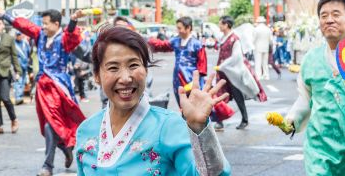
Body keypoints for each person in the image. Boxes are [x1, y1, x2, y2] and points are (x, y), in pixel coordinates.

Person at [75, 26, 231, 175]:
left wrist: (199, 128)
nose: (125, 78)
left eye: (133, 65)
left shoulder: (169, 126)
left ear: (146, 70)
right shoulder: (86, 131)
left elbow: (210, 174)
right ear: (97, 76)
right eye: (113, 68)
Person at [3, 9, 87, 176]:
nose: (43, 26)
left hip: (59, 88)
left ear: (56, 24)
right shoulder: (40, 35)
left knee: (53, 124)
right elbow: (25, 25)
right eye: (42, 23)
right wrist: (5, 15)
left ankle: (48, 165)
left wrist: (73, 21)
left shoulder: (64, 38)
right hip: (43, 89)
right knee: (50, 125)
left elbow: (73, 37)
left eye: (46, 23)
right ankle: (65, 149)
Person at [283, 0, 345, 175]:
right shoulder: (311, 59)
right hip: (320, 149)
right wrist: (291, 120)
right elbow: (305, 99)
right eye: (324, 16)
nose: (329, 20)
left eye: (336, 14)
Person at [215, 16, 267, 130]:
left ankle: (244, 119)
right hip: (224, 72)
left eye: (220, 24)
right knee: (219, 95)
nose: (219, 26)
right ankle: (219, 120)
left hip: (233, 72)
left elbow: (237, 57)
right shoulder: (224, 37)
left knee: (237, 96)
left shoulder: (234, 38)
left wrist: (223, 65)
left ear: (226, 25)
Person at [148, 16, 207, 106]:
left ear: (188, 28)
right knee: (181, 104)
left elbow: (202, 67)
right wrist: (150, 41)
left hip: (190, 79)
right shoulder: (176, 40)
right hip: (177, 79)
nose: (178, 31)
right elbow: (163, 45)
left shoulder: (197, 44)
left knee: (193, 105)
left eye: (180, 28)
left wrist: (197, 81)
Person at [13, 31, 31, 105]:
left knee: (23, 82)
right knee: (18, 81)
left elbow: (29, 51)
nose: (19, 36)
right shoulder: (13, 44)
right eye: (18, 35)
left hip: (25, 65)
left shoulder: (25, 43)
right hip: (17, 66)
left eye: (20, 35)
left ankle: (20, 97)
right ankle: (18, 98)